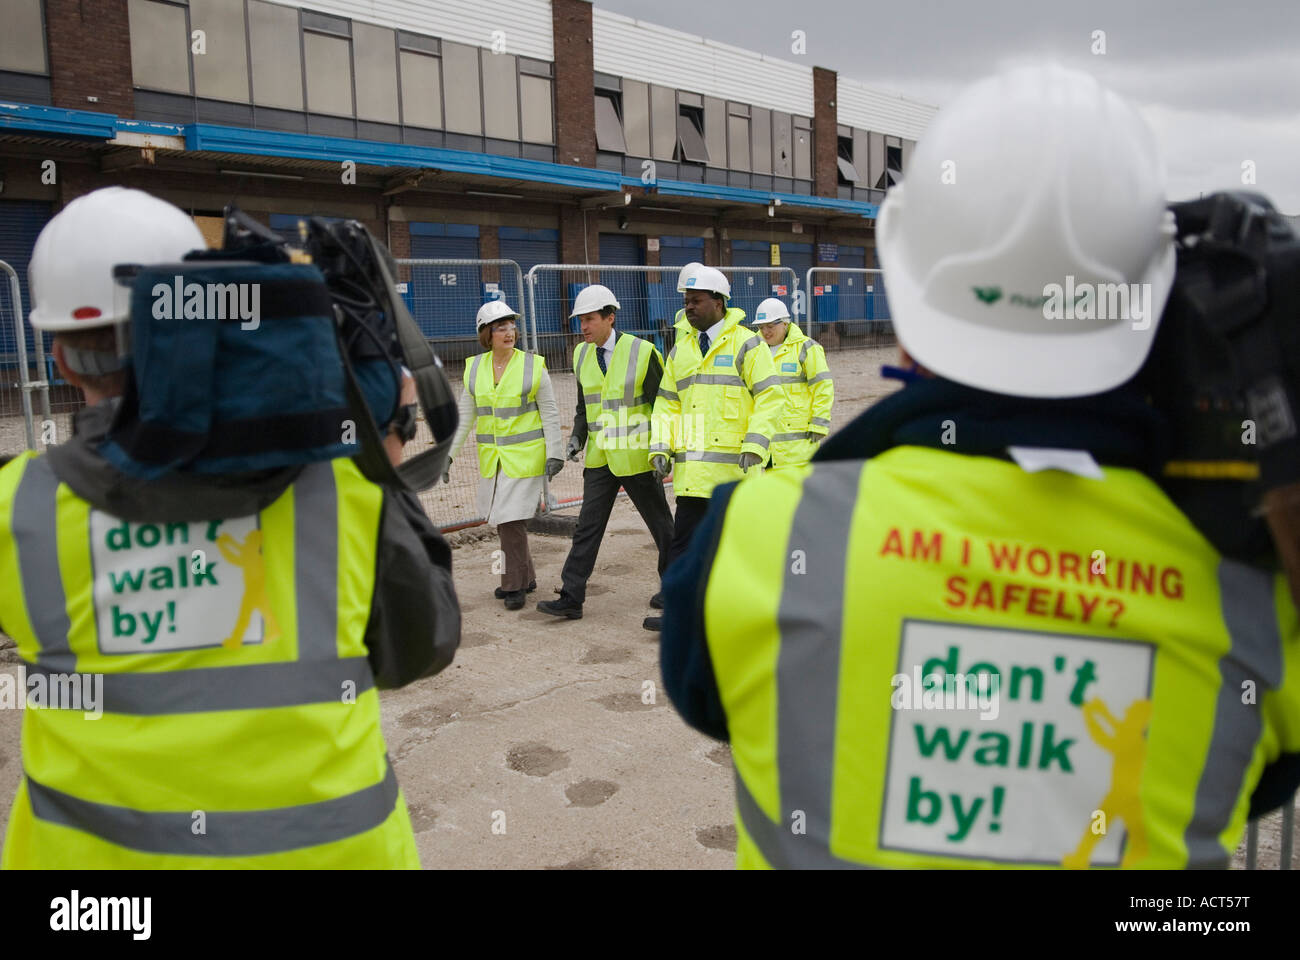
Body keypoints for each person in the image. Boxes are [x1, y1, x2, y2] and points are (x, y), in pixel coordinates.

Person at [659, 64, 1300, 869]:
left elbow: (706, 694)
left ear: (910, 289)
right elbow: (1258, 780)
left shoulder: (759, 541)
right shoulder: (1253, 588)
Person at [0, 186, 459, 868]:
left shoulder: (18, 505)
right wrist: (385, 467)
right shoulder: (337, 484)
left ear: (61, 358)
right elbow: (419, 648)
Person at [646, 265, 783, 631]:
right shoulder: (681, 350)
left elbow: (771, 396)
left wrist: (756, 444)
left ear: (719, 303)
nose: (689, 308)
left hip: (734, 474)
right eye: (686, 302)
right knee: (683, 548)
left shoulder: (747, 344)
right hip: (693, 475)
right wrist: (660, 446)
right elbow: (667, 404)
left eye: (696, 301)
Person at [537, 284, 673, 620]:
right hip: (600, 457)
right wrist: (577, 438)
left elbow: (663, 406)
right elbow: (586, 406)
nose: (583, 327)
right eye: (580, 320)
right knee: (588, 526)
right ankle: (571, 597)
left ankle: (675, 589)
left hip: (637, 455)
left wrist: (664, 449)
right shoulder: (581, 354)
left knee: (660, 525)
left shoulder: (643, 352)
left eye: (589, 319)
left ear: (610, 318)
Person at [448, 300, 563, 610]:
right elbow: (465, 416)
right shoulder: (474, 368)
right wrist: (447, 455)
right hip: (494, 459)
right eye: (501, 327)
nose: (509, 332)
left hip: (526, 457)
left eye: (512, 326)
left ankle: (511, 585)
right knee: (503, 520)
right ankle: (526, 577)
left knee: (509, 521)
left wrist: (556, 452)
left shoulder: (533, 365)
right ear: (487, 333)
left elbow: (550, 412)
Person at [750, 297, 834, 469]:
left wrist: (819, 423)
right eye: (761, 327)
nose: (765, 332)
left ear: (785, 324)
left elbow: (823, 387)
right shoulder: (753, 348)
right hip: (763, 440)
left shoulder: (806, 348)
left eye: (770, 326)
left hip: (797, 442)